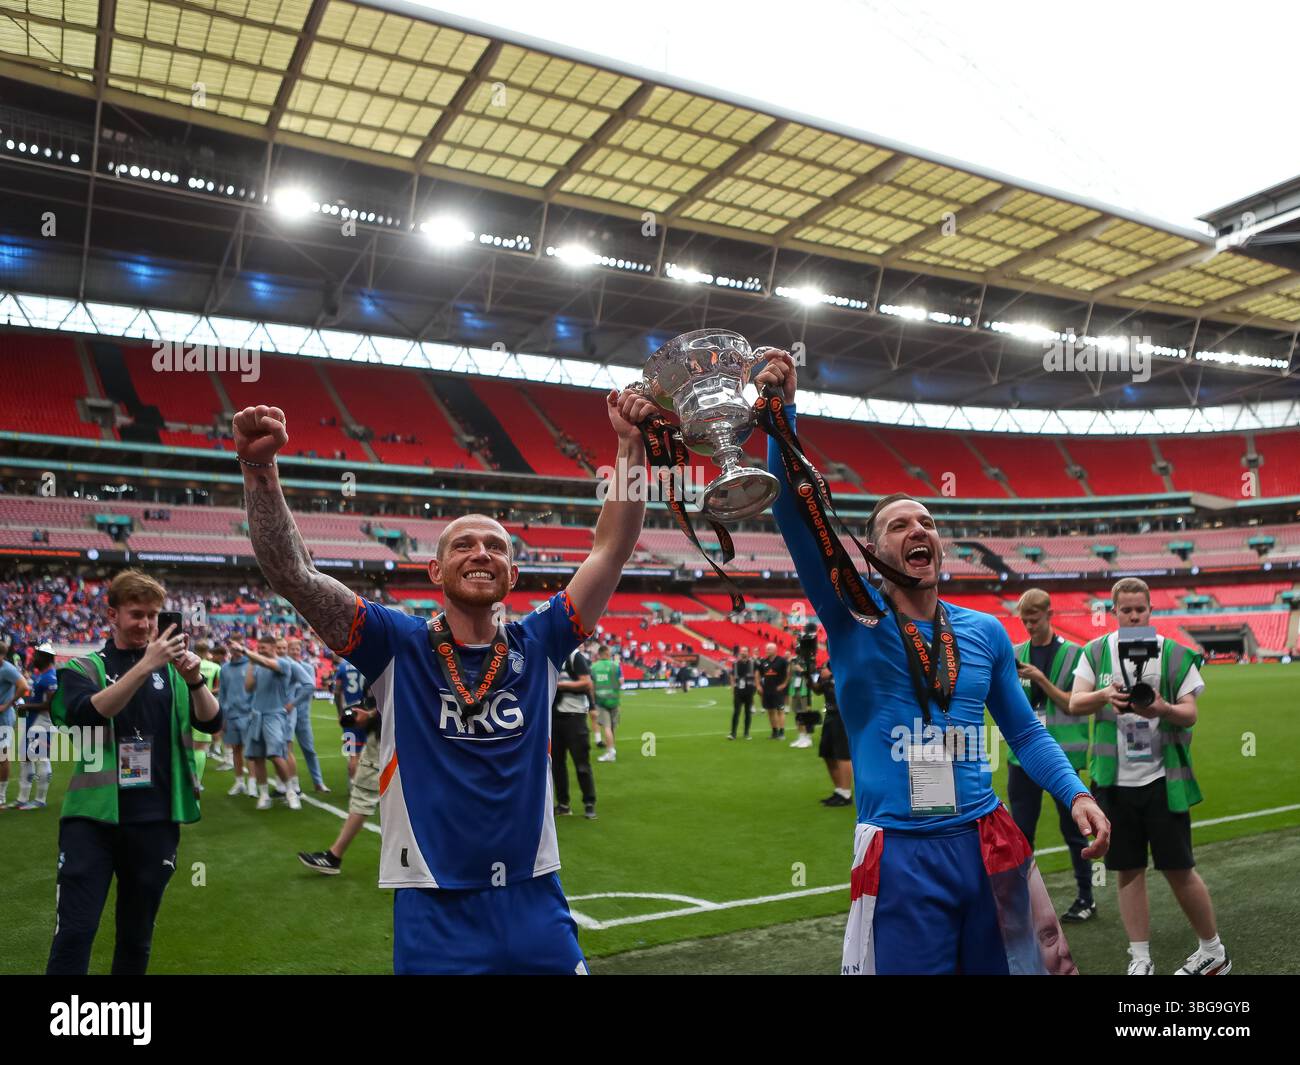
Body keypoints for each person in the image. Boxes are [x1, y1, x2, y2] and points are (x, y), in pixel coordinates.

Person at [233, 387, 652, 974]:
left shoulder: (543, 641)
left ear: (513, 571)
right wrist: (259, 470)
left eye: (496, 547)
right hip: (433, 910)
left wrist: (630, 447)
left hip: (535, 902)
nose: (481, 552)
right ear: (435, 570)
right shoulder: (394, 644)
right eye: (464, 544)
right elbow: (293, 573)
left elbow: (611, 549)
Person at [756, 350, 1109, 975]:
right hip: (901, 853)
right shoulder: (853, 618)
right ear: (872, 550)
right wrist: (783, 415)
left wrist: (1075, 791)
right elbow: (794, 514)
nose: (919, 528)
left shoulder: (984, 632)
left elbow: (1025, 731)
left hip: (988, 840)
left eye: (927, 520)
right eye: (898, 524)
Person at [46, 569, 221, 975]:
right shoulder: (83, 668)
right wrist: (146, 665)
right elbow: (87, 714)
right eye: (136, 614)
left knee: (136, 939)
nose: (146, 624)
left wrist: (195, 682)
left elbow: (211, 723)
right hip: (91, 819)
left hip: (155, 820)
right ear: (112, 615)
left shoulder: (174, 671)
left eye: (153, 616)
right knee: (74, 932)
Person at [1068, 577, 1228, 976]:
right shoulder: (1094, 652)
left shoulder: (1172, 653)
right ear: (1115, 611)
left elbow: (1190, 712)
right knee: (1128, 869)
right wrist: (1105, 696)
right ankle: (1140, 958)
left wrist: (1162, 709)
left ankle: (1213, 950)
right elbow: (1074, 702)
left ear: (1151, 609)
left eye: (1141, 609)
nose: (1134, 615)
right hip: (1114, 783)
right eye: (1127, 609)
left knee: (1179, 867)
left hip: (1163, 780)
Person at [1009, 589, 1095, 923]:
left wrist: (1041, 680)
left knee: (1075, 831)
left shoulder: (1075, 654)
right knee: (1020, 834)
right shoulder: (1017, 653)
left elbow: (1071, 702)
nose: (1029, 625)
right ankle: (1020, 903)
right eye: (1025, 620)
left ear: (1050, 614)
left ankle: (1086, 897)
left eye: (1035, 618)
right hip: (1024, 757)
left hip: (1063, 757)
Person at [298, 694, 380, 876]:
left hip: (387, 737)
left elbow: (397, 697)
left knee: (363, 796)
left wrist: (371, 714)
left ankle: (334, 856)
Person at [238, 634, 301, 810]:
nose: (260, 650)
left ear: (273, 648)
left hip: (274, 716)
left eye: (263, 648)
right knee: (257, 757)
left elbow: (268, 663)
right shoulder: (257, 665)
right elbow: (248, 687)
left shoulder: (284, 664)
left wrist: (246, 652)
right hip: (257, 715)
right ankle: (264, 794)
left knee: (275, 755)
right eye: (259, 648)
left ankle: (290, 791)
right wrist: (251, 661)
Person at [553, 647, 597, 818]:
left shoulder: (573, 656)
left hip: (574, 717)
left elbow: (587, 682)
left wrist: (560, 685)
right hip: (554, 717)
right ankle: (563, 804)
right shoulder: (551, 655)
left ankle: (589, 803)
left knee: (582, 764)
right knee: (557, 765)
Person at [14, 643, 58, 810]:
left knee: (41, 758)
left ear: (46, 658)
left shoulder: (50, 677)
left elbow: (49, 705)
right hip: (33, 722)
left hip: (42, 723)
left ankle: (40, 800)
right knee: (25, 757)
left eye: (38, 655)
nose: (34, 658)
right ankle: (22, 798)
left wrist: (25, 707)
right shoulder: (42, 675)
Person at [286, 635, 328, 793]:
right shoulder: (284, 667)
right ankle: (288, 784)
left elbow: (309, 689)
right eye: (292, 649)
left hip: (302, 714)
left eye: (297, 649)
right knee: (285, 750)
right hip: (288, 714)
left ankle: (318, 782)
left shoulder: (308, 667)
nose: (295, 651)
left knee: (309, 749)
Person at [217, 639, 255, 796]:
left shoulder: (251, 665)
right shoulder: (224, 669)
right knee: (236, 750)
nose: (235, 650)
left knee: (251, 752)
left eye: (237, 646)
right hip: (231, 715)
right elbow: (222, 693)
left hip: (248, 714)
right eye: (232, 647)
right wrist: (222, 716)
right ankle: (239, 782)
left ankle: (252, 784)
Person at [813, 660, 852, 807]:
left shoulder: (843, 662)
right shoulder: (828, 665)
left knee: (843, 754)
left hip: (842, 715)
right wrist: (808, 676)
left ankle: (846, 793)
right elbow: (818, 690)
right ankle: (839, 790)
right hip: (830, 714)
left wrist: (829, 677)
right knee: (827, 753)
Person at [331, 651, 368, 789]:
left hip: (349, 714)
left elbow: (337, 691)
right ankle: (371, 785)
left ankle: (353, 784)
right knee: (373, 752)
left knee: (353, 753)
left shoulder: (342, 667)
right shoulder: (368, 664)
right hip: (367, 712)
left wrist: (340, 713)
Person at [0, 651, 30, 808]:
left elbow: (23, 686)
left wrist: (7, 704)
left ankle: (1, 796)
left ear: (2, 655)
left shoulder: (7, 669)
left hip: (3, 719)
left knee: (2, 756)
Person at [190, 639, 221, 786]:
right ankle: (197, 782)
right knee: (200, 747)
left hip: (187, 706)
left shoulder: (187, 663)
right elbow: (218, 688)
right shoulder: (215, 667)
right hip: (205, 708)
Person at [591, 643, 621, 763]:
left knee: (607, 727)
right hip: (614, 700)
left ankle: (610, 752)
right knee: (612, 727)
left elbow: (592, 686)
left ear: (599, 654)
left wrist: (592, 702)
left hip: (601, 700)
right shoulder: (615, 665)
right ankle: (612, 749)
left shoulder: (594, 667)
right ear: (607, 654)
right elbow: (620, 682)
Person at [757, 642, 788, 740]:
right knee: (770, 711)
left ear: (775, 650)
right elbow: (758, 674)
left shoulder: (782, 661)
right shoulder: (763, 662)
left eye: (769, 649)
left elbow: (789, 673)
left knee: (780, 710)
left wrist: (784, 684)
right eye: (766, 649)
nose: (766, 651)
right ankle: (774, 732)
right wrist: (758, 685)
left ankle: (781, 732)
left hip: (778, 690)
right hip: (767, 690)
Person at [787, 658, 817, 748]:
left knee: (805, 714)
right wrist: (790, 665)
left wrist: (801, 669)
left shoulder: (809, 661)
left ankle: (808, 738)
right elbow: (789, 674)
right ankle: (801, 736)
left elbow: (812, 674)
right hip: (795, 690)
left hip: (805, 691)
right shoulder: (794, 660)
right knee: (797, 714)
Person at [729, 646, 755, 740]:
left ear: (748, 652)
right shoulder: (735, 663)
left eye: (745, 651)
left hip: (749, 690)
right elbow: (732, 675)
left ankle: (746, 733)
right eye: (742, 651)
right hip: (738, 689)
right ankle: (733, 733)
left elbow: (757, 674)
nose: (743, 653)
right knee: (736, 711)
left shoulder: (753, 663)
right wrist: (732, 687)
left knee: (748, 712)